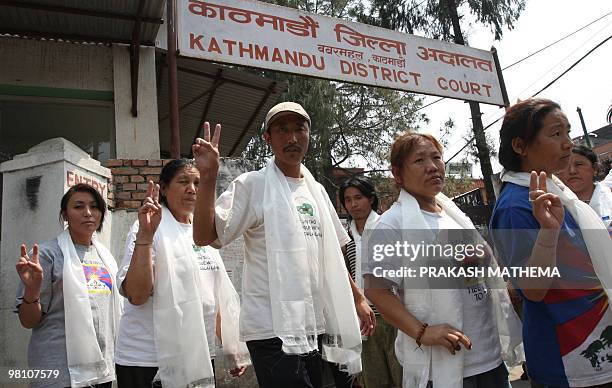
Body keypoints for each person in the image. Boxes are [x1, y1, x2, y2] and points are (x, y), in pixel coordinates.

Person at [192, 102, 373, 388]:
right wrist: (209, 177)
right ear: (267, 138)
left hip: (313, 325)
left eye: (299, 129)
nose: (292, 138)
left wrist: (357, 297)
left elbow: (331, 258)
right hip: (270, 329)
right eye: (282, 130)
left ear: (309, 135)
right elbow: (204, 236)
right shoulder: (252, 185)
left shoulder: (317, 191)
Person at [364, 131, 523, 388]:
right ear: (397, 173)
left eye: (436, 158)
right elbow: (376, 290)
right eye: (419, 161)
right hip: (440, 365)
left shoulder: (453, 214)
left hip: (488, 354)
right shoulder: (392, 224)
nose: (432, 167)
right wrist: (422, 332)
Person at [490, 98, 612, 387]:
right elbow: (532, 290)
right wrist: (547, 232)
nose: (568, 144)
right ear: (520, 146)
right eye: (556, 134)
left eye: (568, 133)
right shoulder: (515, 207)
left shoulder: (557, 191)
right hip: (569, 362)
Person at [114, 159, 248, 388]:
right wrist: (145, 237)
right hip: (148, 360)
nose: (192, 189)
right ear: (164, 188)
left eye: (197, 182)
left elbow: (211, 295)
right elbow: (137, 295)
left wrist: (230, 345)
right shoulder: (148, 228)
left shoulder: (203, 231)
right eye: (183, 181)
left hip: (197, 355)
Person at [14, 183, 122, 388]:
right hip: (59, 372)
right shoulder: (47, 255)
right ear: (65, 215)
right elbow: (28, 321)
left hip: (101, 371)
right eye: (79, 206)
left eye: (94, 206)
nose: (88, 213)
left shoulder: (106, 257)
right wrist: (32, 289)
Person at [339, 176, 403, 388]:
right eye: (348, 200)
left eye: (358, 197)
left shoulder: (387, 227)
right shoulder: (346, 237)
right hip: (364, 320)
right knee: (374, 379)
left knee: (402, 375)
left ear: (371, 199)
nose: (353, 204)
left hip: (394, 316)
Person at [558, 144, 612, 230]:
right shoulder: (556, 207)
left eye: (579, 164)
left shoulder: (609, 197)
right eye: (564, 166)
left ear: (595, 168)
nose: (572, 171)